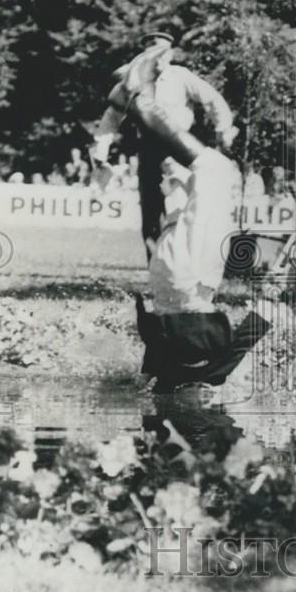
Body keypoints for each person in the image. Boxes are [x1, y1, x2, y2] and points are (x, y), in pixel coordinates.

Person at [119, 42, 267, 390]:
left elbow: (265, 321)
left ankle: (138, 100)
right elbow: (149, 361)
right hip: (163, 283)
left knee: (214, 168)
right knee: (190, 188)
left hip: (191, 275)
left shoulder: (214, 372)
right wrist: (142, 380)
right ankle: (139, 107)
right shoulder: (167, 359)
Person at [98, 30, 237, 255]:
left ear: (170, 53)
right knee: (151, 212)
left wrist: (223, 130)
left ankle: (184, 265)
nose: (158, 56)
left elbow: (212, 99)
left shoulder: (180, 77)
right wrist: (101, 153)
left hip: (181, 151)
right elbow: (110, 118)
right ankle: (156, 270)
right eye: (152, 50)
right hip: (148, 150)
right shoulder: (132, 84)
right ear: (145, 54)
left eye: (163, 50)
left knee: (181, 205)